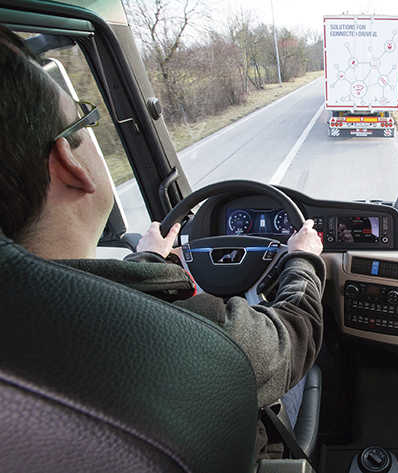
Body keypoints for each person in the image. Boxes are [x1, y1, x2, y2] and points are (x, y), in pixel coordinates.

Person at [0, 26, 324, 458]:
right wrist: (301, 261)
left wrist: (149, 258)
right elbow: (288, 342)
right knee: (312, 368)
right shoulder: (180, 331)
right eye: (85, 121)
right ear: (69, 162)